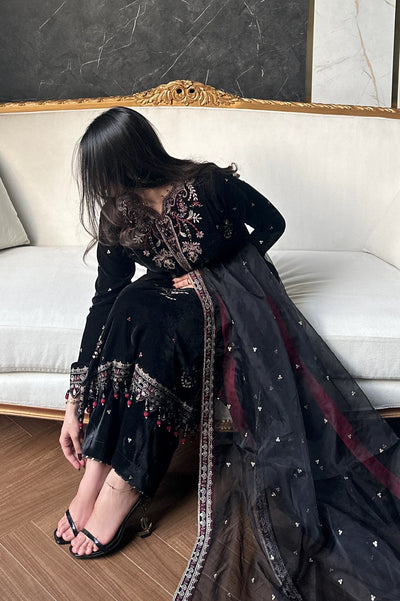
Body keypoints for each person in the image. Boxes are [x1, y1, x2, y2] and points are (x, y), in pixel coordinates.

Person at [55, 107, 400, 600]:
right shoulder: (119, 215)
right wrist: (75, 402)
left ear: (130, 159)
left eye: (105, 173)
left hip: (233, 292)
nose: (103, 189)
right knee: (130, 305)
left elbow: (271, 224)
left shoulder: (208, 185)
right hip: (170, 292)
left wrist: (216, 272)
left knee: (165, 331)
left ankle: (125, 484)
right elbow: (104, 300)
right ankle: (95, 474)